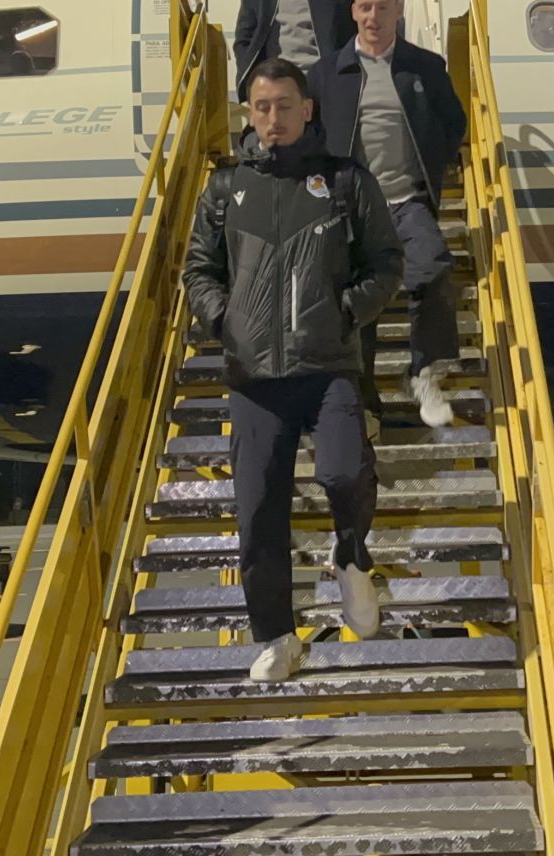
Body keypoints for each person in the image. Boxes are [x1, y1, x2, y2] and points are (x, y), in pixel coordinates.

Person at [182, 58, 404, 682]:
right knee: (257, 514)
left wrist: (344, 311)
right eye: (261, 107)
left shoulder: (344, 181)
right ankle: (278, 638)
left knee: (341, 471)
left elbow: (387, 263)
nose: (272, 117)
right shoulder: (227, 190)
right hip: (254, 378)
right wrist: (224, 320)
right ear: (248, 114)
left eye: (284, 105)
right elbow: (198, 270)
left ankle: (351, 555)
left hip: (328, 364)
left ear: (307, 109)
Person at [310, 0, 467, 428]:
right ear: (353, 13)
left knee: (434, 268)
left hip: (405, 199)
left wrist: (431, 165)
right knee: (361, 300)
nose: (373, 16)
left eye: (382, 7)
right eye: (365, 7)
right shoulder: (326, 72)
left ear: (398, 10)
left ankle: (423, 371)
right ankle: (365, 399)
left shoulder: (425, 66)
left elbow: (453, 122)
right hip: (353, 207)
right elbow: (313, 133)